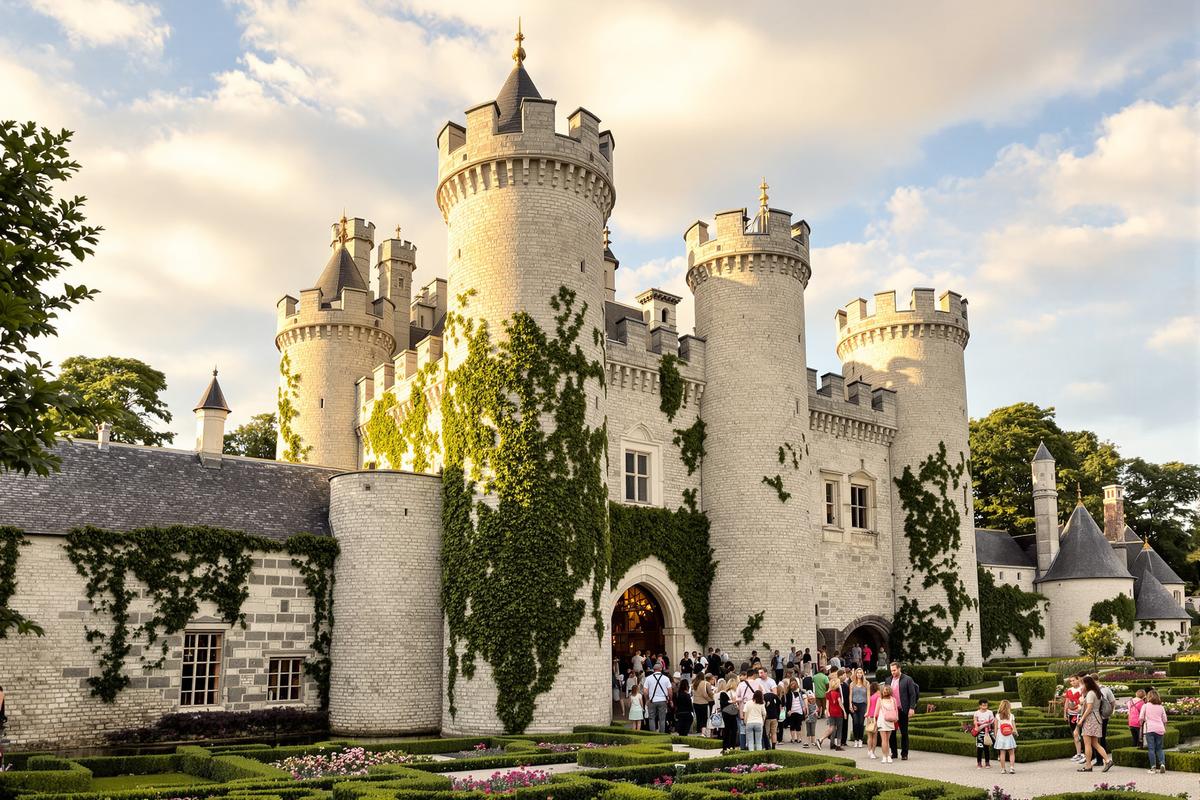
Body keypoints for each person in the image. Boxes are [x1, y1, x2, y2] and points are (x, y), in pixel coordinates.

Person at [1077, 674, 1113, 772]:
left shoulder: (1090, 693)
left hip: (1090, 719)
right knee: (1095, 743)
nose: (1081, 686)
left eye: (1082, 684)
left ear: (1087, 684)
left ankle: (1088, 765)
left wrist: (1081, 720)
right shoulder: (1097, 692)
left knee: (1087, 744)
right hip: (1097, 718)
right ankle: (1107, 760)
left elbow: (1089, 708)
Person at [888, 662, 919, 761]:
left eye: (894, 670)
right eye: (891, 670)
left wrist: (912, 708)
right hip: (892, 711)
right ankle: (894, 753)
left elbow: (913, 694)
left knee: (904, 732)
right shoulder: (888, 680)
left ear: (899, 669)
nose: (893, 672)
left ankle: (904, 754)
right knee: (892, 732)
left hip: (903, 710)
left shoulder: (907, 679)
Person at [1090, 672, 1116, 766]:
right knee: (1102, 737)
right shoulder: (1106, 689)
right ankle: (1105, 759)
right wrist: (1109, 712)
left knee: (1095, 738)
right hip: (1104, 716)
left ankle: (1099, 760)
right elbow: (1113, 702)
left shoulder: (1092, 690)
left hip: (1095, 716)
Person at [1139, 689, 1168, 774]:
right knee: (1159, 748)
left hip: (1150, 728)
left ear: (1149, 697)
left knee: (1151, 749)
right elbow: (1165, 720)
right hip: (1160, 728)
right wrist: (1163, 727)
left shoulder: (1145, 706)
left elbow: (1141, 718)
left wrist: (1142, 723)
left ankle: (1153, 767)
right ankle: (1162, 764)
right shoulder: (1161, 707)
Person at [818, 672, 845, 750]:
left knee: (832, 728)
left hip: (831, 713)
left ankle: (831, 743)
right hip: (838, 713)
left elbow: (827, 704)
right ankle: (838, 745)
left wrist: (827, 711)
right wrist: (844, 711)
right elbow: (840, 703)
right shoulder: (837, 693)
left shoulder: (828, 693)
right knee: (839, 729)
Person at [643, 662, 672, 733]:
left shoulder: (648, 678)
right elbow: (670, 691)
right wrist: (670, 700)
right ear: (661, 669)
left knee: (651, 718)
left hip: (652, 700)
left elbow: (645, 691)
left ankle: (653, 734)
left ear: (654, 669)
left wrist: (647, 699)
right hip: (663, 700)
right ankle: (662, 734)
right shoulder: (666, 678)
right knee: (662, 719)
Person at [874, 684, 898, 764]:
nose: (885, 692)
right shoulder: (880, 699)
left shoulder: (892, 700)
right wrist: (874, 721)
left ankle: (887, 756)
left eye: (886, 690)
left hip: (889, 720)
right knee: (884, 740)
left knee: (887, 740)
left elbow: (896, 710)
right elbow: (876, 712)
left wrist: (896, 718)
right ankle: (885, 756)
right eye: (884, 690)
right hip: (882, 721)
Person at [1063, 674, 1084, 763]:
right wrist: (1065, 713)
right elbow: (1066, 702)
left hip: (1079, 714)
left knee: (1078, 734)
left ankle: (1082, 753)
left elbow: (1083, 702)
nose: (1072, 682)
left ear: (1078, 680)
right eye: (1071, 681)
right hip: (1071, 714)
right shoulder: (1069, 690)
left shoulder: (1082, 689)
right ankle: (1078, 753)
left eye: (1073, 680)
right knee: (1074, 734)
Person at [993, 700, 1017, 774]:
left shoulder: (997, 716)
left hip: (1000, 734)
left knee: (1002, 753)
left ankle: (1003, 769)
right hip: (1009, 734)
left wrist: (996, 736)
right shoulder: (1011, 715)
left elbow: (995, 727)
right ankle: (1012, 768)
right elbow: (1014, 727)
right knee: (1011, 753)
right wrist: (1016, 733)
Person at [972, 699, 995, 769]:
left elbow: (992, 721)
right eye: (983, 705)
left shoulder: (990, 712)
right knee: (979, 748)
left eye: (986, 705)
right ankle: (979, 763)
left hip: (987, 731)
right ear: (980, 706)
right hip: (980, 731)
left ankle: (987, 762)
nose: (985, 706)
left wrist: (986, 724)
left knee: (986, 747)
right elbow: (975, 721)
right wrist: (978, 726)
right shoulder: (976, 713)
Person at [719, 678, 740, 751]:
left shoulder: (724, 693)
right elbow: (724, 703)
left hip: (727, 713)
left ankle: (727, 746)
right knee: (732, 729)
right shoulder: (727, 693)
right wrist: (732, 702)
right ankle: (730, 746)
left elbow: (722, 704)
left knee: (728, 729)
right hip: (730, 713)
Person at [849, 669, 869, 748]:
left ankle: (860, 739)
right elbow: (850, 695)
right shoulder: (852, 684)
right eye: (858, 673)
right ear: (855, 674)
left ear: (863, 674)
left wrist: (868, 708)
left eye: (861, 673)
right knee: (855, 722)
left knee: (861, 723)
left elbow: (868, 696)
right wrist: (850, 704)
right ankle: (856, 739)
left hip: (863, 704)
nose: (859, 674)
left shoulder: (866, 683)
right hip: (854, 704)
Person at [785, 679, 804, 743]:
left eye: (793, 685)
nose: (792, 686)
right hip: (793, 711)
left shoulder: (799, 692)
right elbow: (787, 703)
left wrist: (803, 707)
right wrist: (788, 710)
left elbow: (802, 700)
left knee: (797, 725)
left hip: (798, 710)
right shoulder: (789, 693)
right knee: (793, 725)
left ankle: (797, 739)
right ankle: (794, 739)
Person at [763, 683, 782, 749]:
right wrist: (778, 715)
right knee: (774, 733)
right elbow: (779, 705)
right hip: (775, 717)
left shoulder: (764, 696)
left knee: (767, 733)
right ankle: (773, 746)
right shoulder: (775, 696)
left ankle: (767, 746)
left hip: (767, 717)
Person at [865, 681, 880, 759]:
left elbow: (868, 706)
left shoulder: (870, 696)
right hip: (876, 716)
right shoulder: (878, 696)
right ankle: (872, 752)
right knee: (875, 736)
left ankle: (869, 750)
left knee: (869, 735)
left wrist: (867, 713)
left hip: (869, 716)